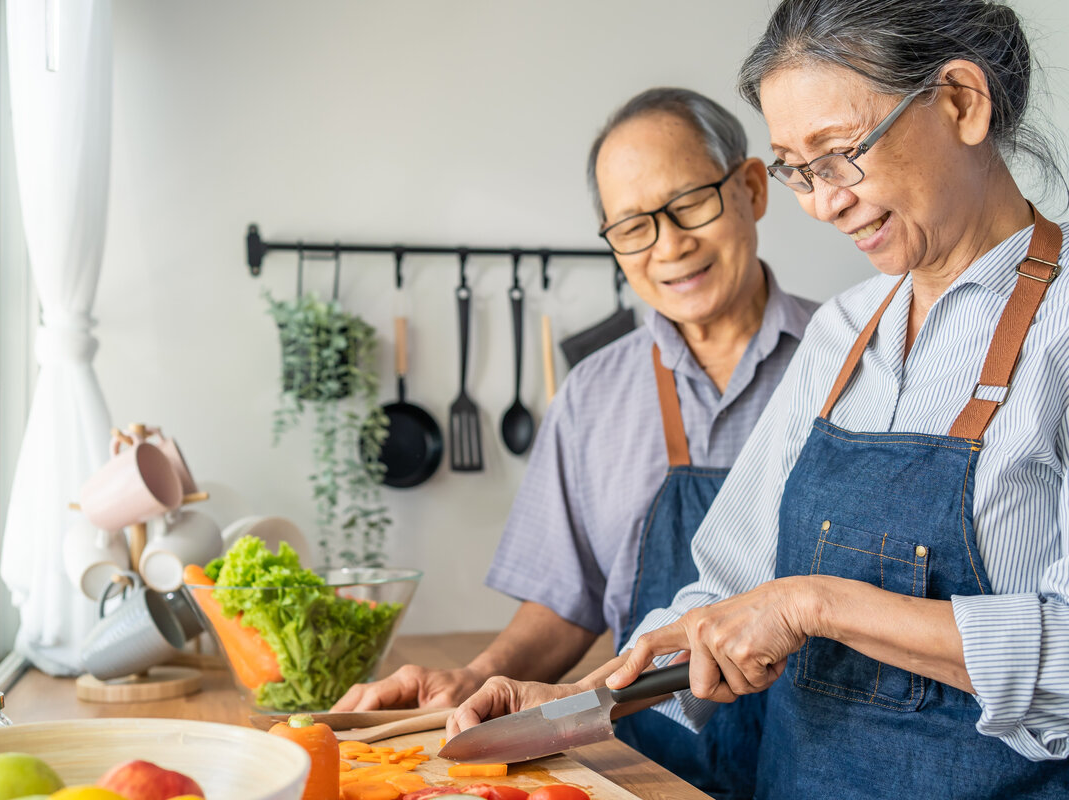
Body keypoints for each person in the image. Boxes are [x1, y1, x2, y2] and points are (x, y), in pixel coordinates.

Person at [449, 1, 1069, 798]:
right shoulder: (844, 334)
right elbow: (729, 593)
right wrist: (581, 702)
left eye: (840, 153)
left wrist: (817, 604)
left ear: (961, 102)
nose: (822, 201)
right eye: (797, 168)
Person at [336, 88, 818, 799]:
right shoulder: (592, 395)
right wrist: (475, 679)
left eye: (690, 204)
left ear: (750, 188)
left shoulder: (852, 361)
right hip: (639, 771)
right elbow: (568, 601)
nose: (669, 245)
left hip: (819, 769)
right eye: (632, 227)